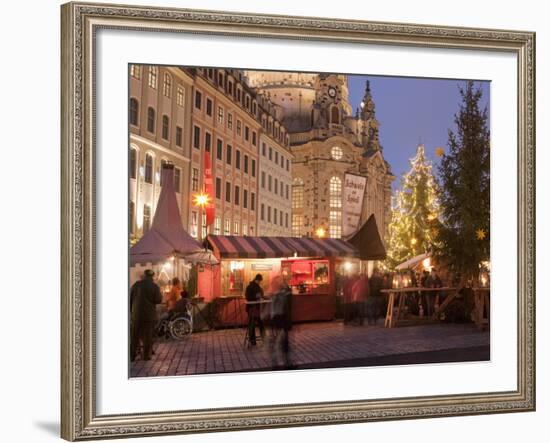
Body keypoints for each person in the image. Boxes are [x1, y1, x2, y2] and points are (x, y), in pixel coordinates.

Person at [130, 269, 162, 361]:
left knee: (134, 336)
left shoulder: (136, 285)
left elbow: (130, 299)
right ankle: (146, 356)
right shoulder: (154, 286)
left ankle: (132, 356)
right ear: (152, 277)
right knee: (147, 337)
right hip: (149, 316)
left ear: (144, 276)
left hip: (136, 315)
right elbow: (158, 300)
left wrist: (131, 312)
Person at [269, 276, 293, 369]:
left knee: (281, 342)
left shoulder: (278, 294)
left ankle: (280, 363)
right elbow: (282, 309)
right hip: (280, 320)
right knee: (282, 342)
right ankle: (283, 363)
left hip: (279, 320)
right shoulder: (280, 295)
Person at [244, 274, 265, 346]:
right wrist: (257, 297)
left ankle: (253, 340)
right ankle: (263, 338)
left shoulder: (251, 286)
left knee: (253, 324)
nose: (260, 282)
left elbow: (260, 294)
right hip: (253, 308)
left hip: (252, 308)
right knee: (259, 323)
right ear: (257, 280)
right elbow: (249, 297)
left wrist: (260, 296)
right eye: (260, 281)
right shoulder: (253, 287)